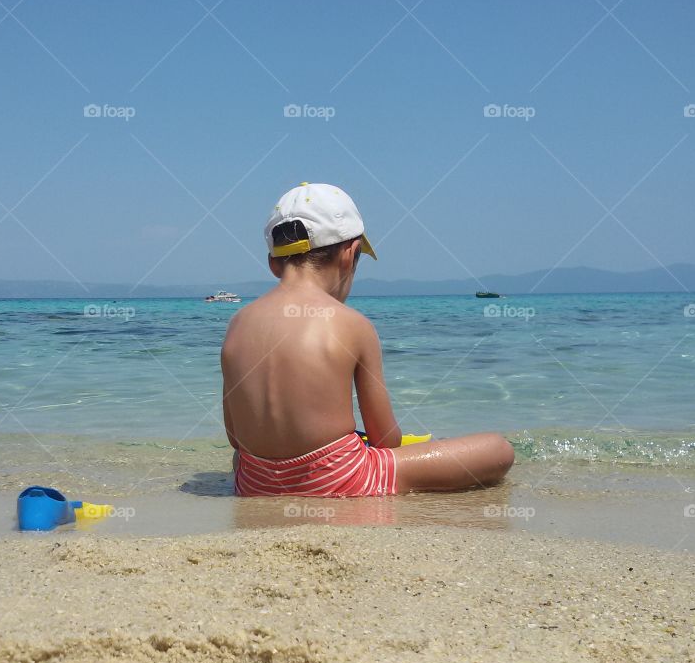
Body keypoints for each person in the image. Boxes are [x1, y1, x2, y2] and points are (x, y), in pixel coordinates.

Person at [220, 182, 514, 497]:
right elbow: (386, 439)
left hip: (255, 482)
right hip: (343, 479)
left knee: (244, 457)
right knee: (498, 449)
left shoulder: (237, 324)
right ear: (349, 254)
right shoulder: (353, 324)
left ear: (274, 263)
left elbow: (236, 439)